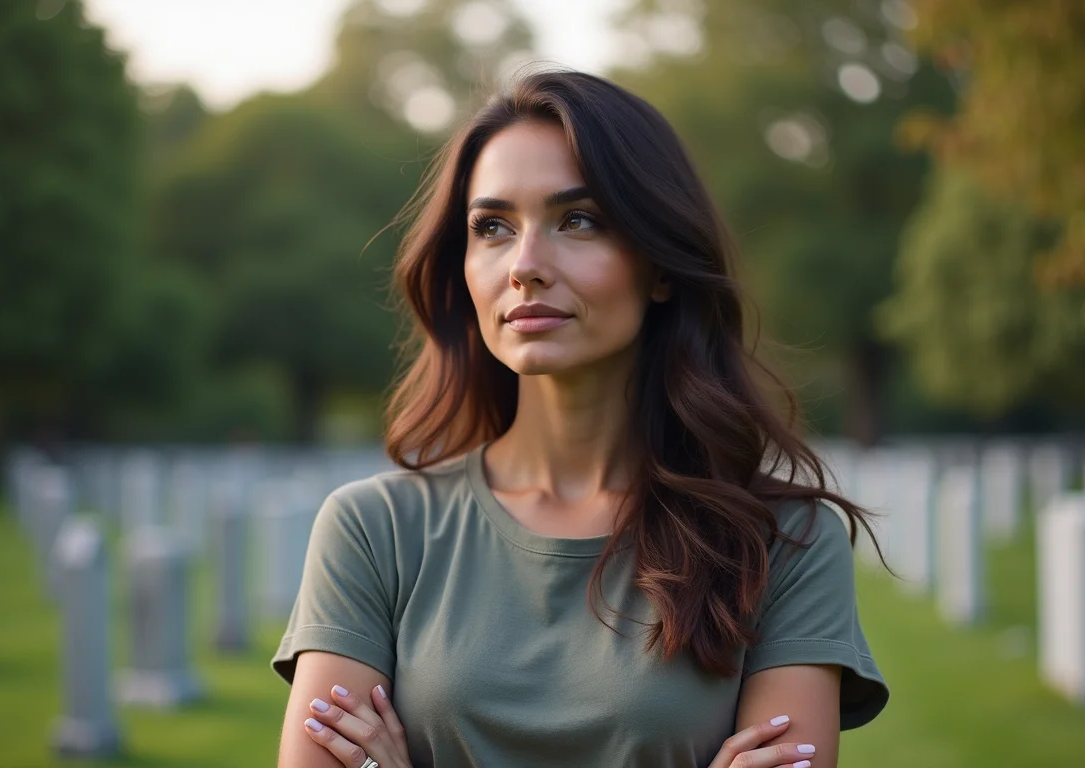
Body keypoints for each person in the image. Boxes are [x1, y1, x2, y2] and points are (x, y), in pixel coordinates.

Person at [272, 69, 888, 768]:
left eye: (579, 220)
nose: (525, 266)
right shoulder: (373, 529)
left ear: (660, 265)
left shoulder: (784, 543)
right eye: (493, 227)